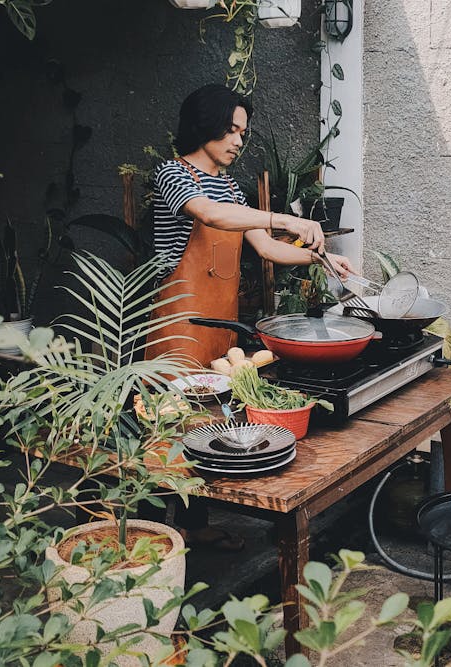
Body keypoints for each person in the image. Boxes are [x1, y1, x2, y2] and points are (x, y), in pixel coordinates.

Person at [145, 84, 356, 550]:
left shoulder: (228, 186)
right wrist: (286, 218)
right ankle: (151, 530)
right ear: (205, 127)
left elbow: (265, 246)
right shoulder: (172, 175)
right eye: (232, 130)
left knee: (209, 423)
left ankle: (194, 524)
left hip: (221, 324)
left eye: (243, 131)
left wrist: (322, 259)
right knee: (166, 425)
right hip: (175, 324)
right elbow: (211, 216)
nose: (240, 140)